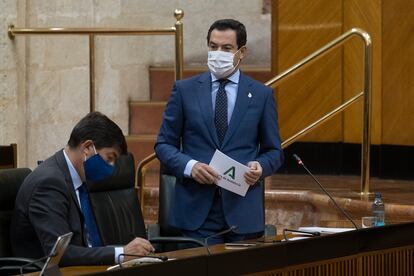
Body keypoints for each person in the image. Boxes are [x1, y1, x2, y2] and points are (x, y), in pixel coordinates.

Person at [155, 19, 284, 244]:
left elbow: (274, 152)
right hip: (195, 214)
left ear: (241, 52)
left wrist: (260, 166)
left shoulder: (262, 95)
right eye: (213, 47)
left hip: (242, 214)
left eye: (226, 48)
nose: (218, 53)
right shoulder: (184, 90)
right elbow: (164, 145)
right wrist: (190, 166)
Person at [11, 112, 154, 266]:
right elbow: (60, 255)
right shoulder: (48, 183)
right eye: (110, 158)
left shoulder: (80, 179)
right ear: (87, 148)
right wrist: (121, 253)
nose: (112, 167)